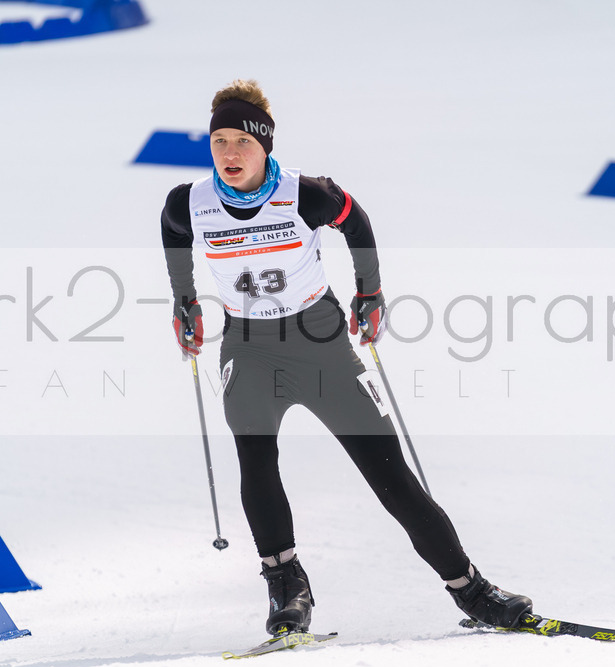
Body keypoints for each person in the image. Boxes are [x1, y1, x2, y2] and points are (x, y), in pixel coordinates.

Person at [161, 79, 531, 636]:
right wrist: (184, 302)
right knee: (256, 464)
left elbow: (356, 226)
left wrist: (370, 292)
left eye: (242, 141)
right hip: (247, 349)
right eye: (219, 141)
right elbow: (173, 237)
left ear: (264, 145)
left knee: (391, 477)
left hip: (321, 344)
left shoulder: (306, 193)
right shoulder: (189, 202)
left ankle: (471, 590)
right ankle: (287, 586)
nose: (230, 153)